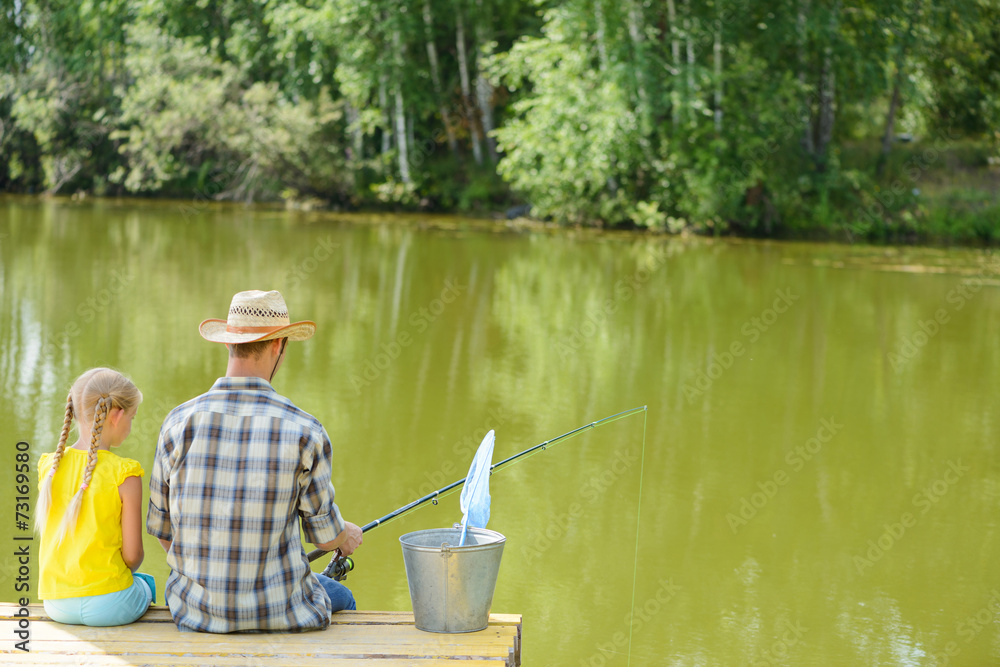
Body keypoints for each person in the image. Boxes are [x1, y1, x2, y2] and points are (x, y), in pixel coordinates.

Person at [146, 289, 363, 633]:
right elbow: (324, 537)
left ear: (228, 343)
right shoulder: (305, 430)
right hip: (282, 613)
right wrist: (345, 534)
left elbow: (163, 531)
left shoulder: (178, 422)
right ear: (278, 346)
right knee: (342, 597)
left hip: (194, 612)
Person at [36, 368, 155, 626]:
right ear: (116, 415)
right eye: (132, 417)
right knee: (146, 584)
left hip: (56, 603)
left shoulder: (49, 467)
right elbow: (133, 556)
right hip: (110, 605)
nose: (131, 426)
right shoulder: (126, 473)